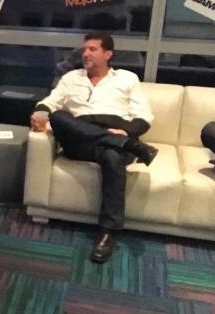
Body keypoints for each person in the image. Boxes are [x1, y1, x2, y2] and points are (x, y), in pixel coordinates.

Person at [30, 32, 158, 264]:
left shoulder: (127, 78)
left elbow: (144, 115)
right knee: (58, 117)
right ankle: (131, 146)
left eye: (92, 49)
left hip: (116, 134)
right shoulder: (71, 78)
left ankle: (108, 233)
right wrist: (40, 112)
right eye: (84, 49)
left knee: (112, 156)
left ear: (108, 54)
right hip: (80, 140)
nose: (85, 54)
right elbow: (51, 102)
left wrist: (127, 133)